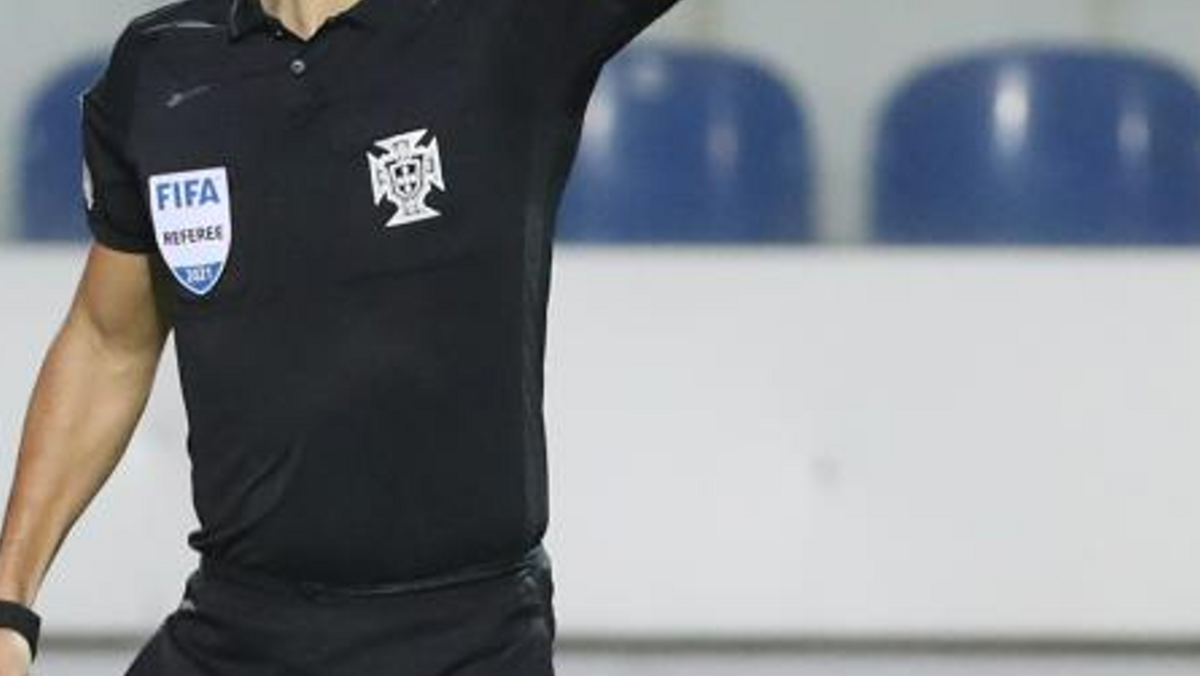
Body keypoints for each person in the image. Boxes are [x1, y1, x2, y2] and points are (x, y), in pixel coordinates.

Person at [0, 0, 681, 673]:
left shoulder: (504, 24)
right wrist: (9, 606)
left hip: (461, 638)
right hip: (234, 627)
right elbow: (107, 342)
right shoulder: (162, 63)